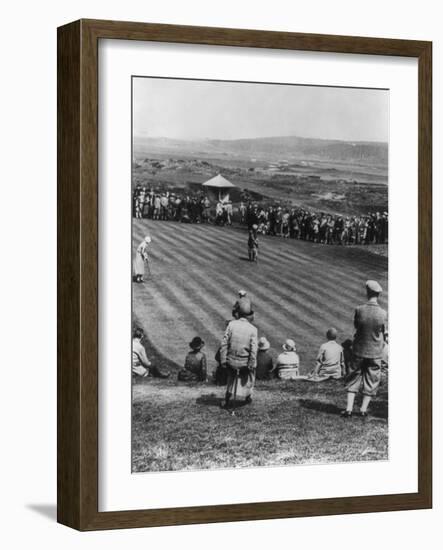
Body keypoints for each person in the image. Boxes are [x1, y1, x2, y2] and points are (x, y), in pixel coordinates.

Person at [342, 280, 388, 418]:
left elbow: (357, 326)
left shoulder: (359, 309)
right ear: (378, 294)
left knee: (353, 377)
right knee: (372, 379)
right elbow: (383, 331)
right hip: (375, 351)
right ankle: (363, 410)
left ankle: (349, 409)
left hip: (359, 349)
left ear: (367, 292)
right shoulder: (383, 313)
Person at [219, 305, 258, 408]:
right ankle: (248, 396)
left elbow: (224, 344)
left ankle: (227, 399)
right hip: (244, 364)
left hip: (230, 362)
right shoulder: (253, 329)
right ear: (248, 316)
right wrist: (251, 363)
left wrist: (223, 360)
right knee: (252, 373)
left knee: (231, 378)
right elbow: (254, 350)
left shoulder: (231, 324)